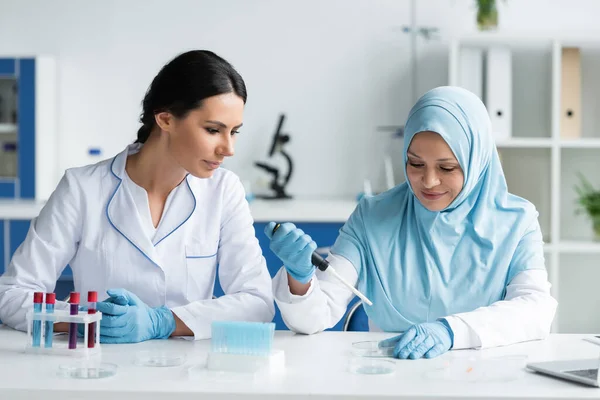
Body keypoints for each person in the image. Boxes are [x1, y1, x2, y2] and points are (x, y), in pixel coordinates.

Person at [0, 50, 274, 343]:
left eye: (234, 132)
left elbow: (257, 302)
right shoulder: (82, 188)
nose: (228, 148)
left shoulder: (224, 191)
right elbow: (13, 294)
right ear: (166, 119)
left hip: (189, 375)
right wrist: (83, 319)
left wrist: (163, 322)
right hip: (99, 368)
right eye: (213, 130)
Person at [265, 86, 557, 359]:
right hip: (393, 377)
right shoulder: (372, 216)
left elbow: (535, 309)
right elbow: (318, 315)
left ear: (477, 159)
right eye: (415, 164)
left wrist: (450, 331)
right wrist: (299, 280)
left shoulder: (518, 221)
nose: (428, 182)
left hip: (485, 379)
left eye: (447, 167)